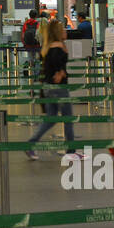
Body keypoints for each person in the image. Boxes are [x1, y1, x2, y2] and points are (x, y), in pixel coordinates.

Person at [26, 20, 76, 158]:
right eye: (63, 29)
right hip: (58, 88)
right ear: (58, 32)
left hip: (47, 87)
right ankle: (71, 151)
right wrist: (60, 72)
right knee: (68, 118)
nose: (65, 31)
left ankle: (31, 143)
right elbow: (55, 62)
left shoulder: (48, 47)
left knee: (51, 118)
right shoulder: (57, 47)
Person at [20, 8, 42, 81]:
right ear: (36, 16)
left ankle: (31, 75)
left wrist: (24, 43)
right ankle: (37, 76)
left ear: (29, 15)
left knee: (31, 60)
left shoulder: (26, 23)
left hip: (28, 45)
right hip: (36, 45)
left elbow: (23, 35)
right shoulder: (37, 23)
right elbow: (39, 34)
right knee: (38, 60)